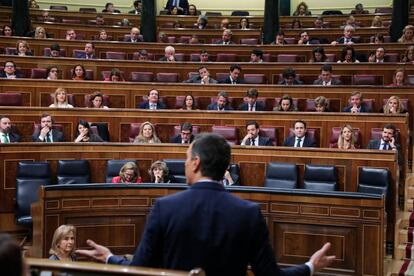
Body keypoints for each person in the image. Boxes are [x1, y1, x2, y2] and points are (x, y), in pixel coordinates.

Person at [76, 133, 335, 274]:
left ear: (197, 162)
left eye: (187, 158)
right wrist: (310, 266)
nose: (185, 163)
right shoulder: (249, 213)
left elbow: (139, 269)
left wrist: (109, 258)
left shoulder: (165, 208)